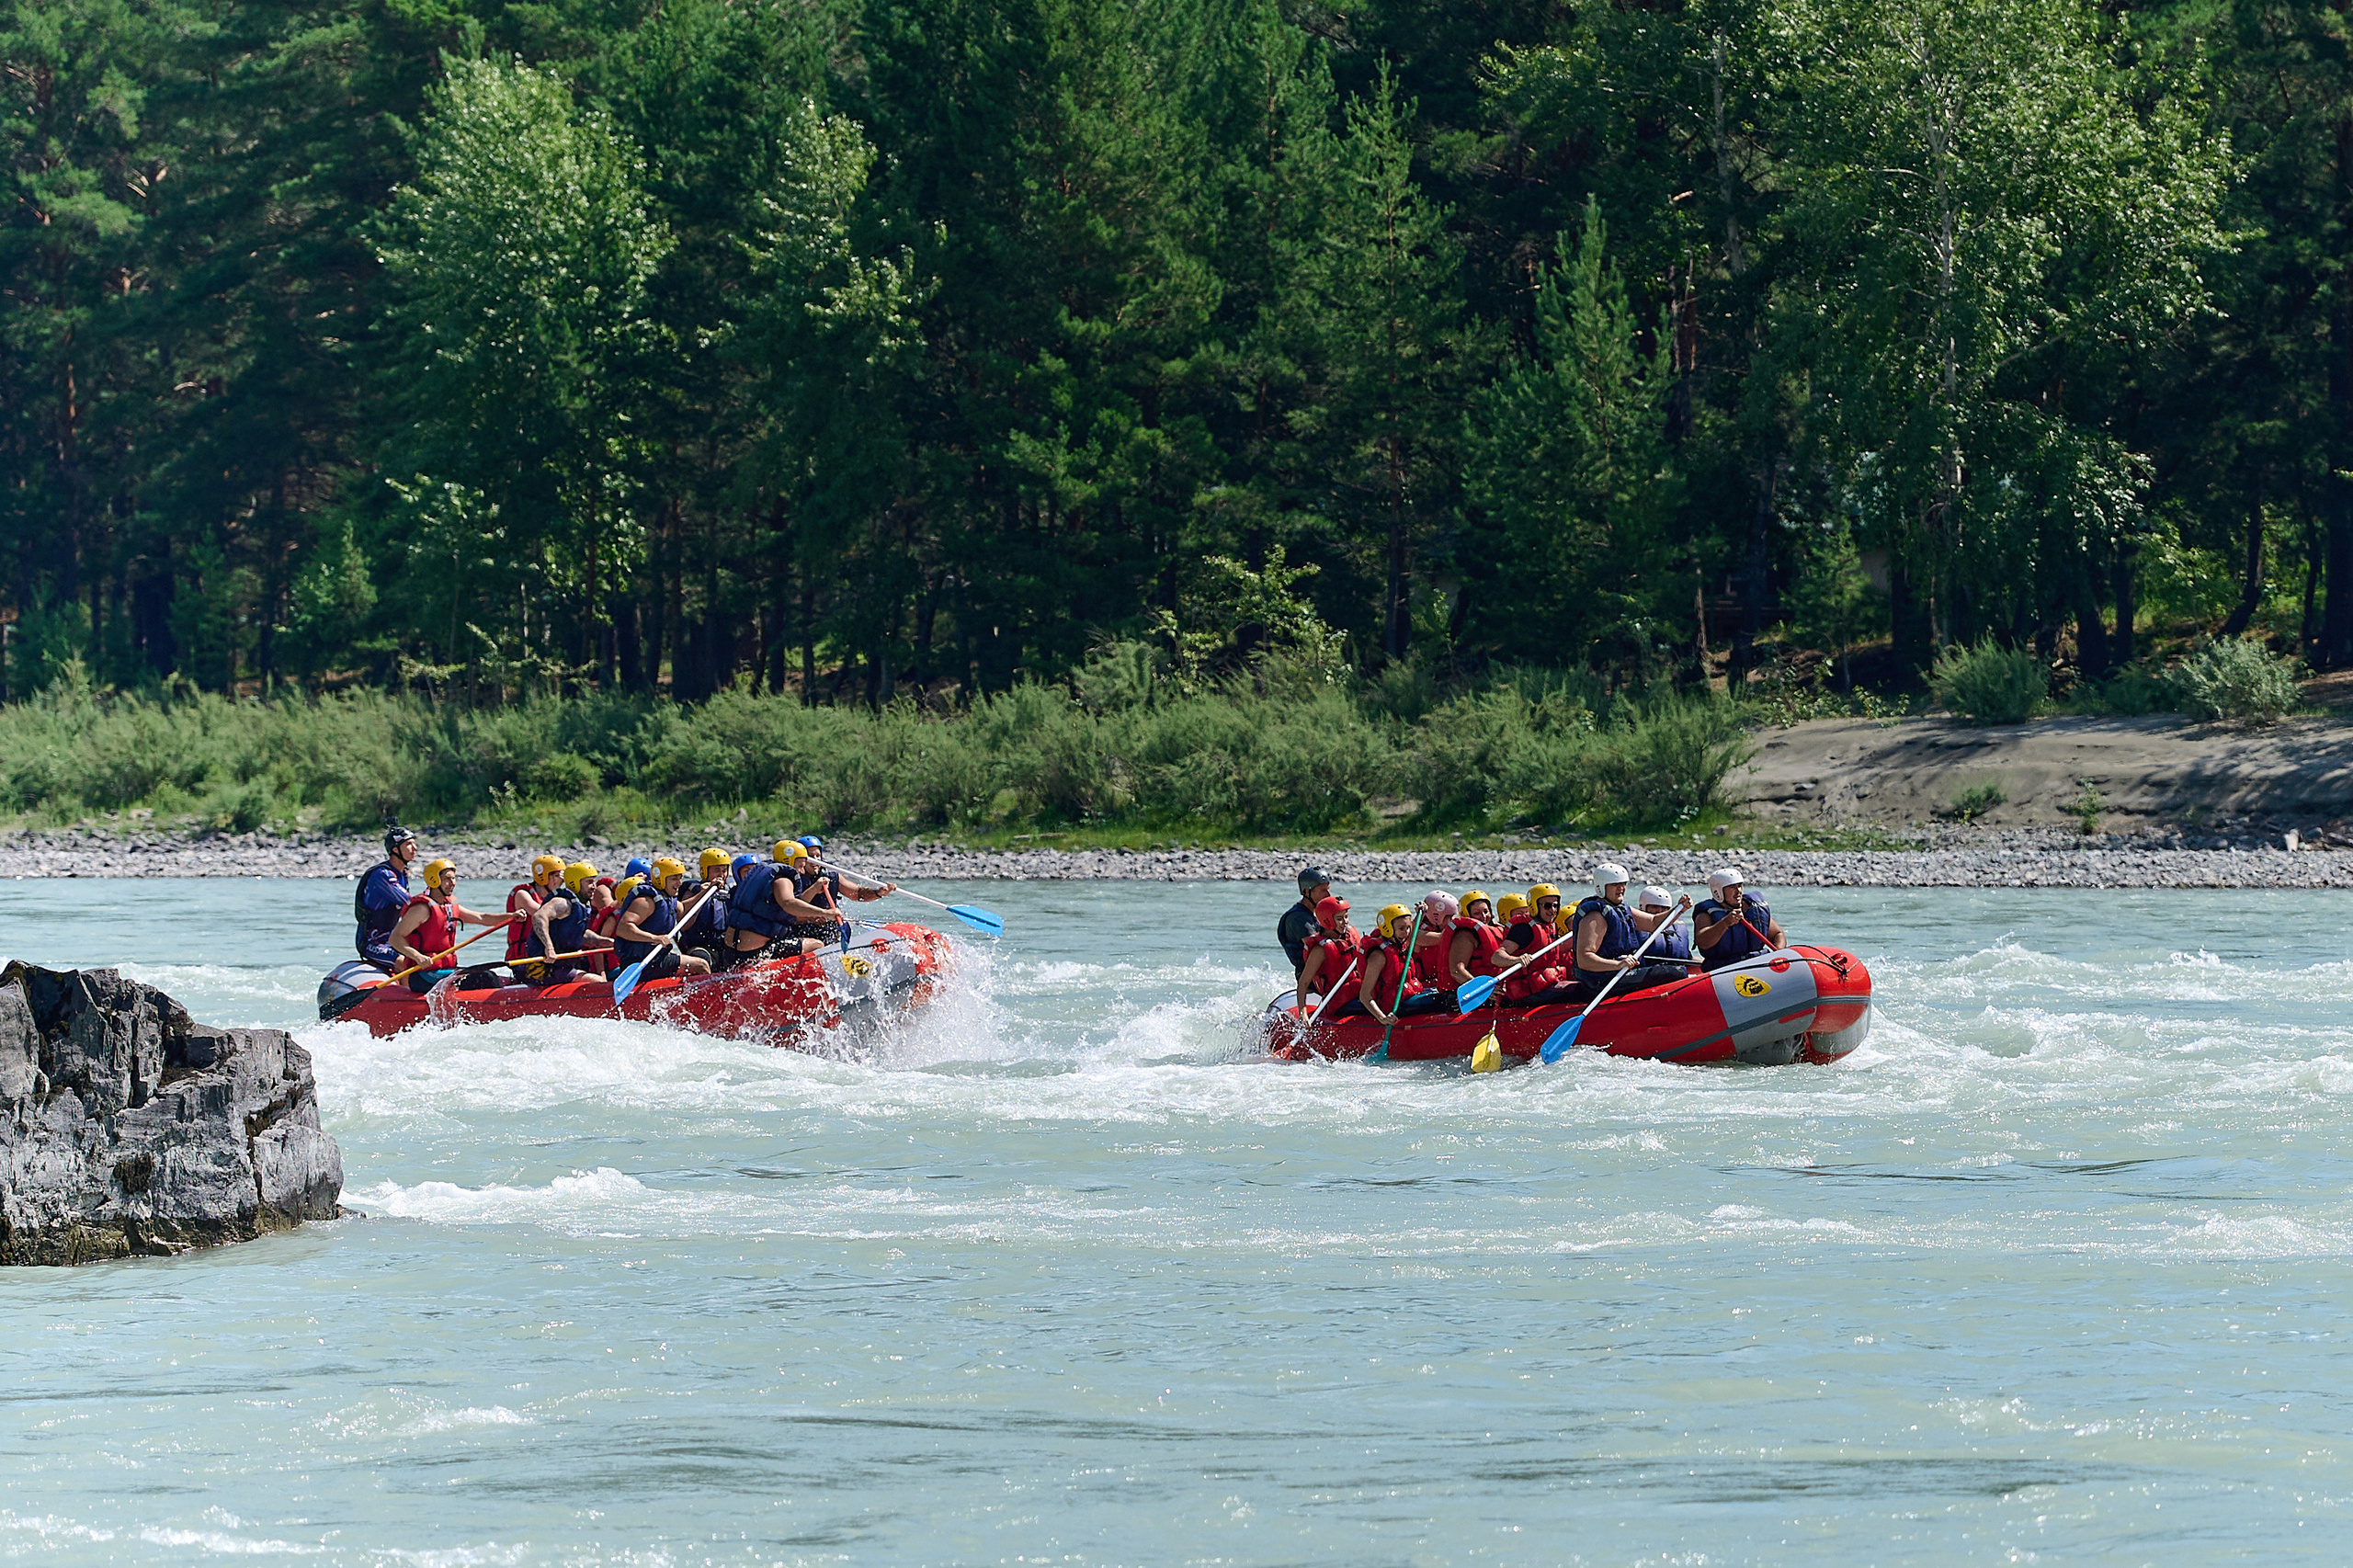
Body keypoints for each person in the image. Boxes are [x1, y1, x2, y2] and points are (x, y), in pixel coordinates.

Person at [384, 858, 502, 991]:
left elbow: (482, 918)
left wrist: (512, 916)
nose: (453, 883)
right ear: (434, 880)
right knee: (486, 977)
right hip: (423, 975)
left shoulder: (449, 906)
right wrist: (418, 957)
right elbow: (395, 938)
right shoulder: (422, 909)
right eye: (447, 879)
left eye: (454, 878)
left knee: (487, 974)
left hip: (444, 970)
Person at [1572, 863, 1689, 995]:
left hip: (1618, 972)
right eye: (1615, 884)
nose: (1621, 888)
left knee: (1671, 969)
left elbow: (1653, 922)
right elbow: (1584, 959)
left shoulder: (1622, 909)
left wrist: (1679, 909)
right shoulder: (1595, 917)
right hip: (1601, 980)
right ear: (1601, 886)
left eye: (1623, 884)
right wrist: (1617, 965)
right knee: (1675, 973)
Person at [715, 846, 841, 971]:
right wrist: (825, 913)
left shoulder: (763, 878)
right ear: (790, 861)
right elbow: (788, 903)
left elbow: (776, 914)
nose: (802, 872)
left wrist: (810, 916)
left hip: (731, 952)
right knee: (817, 945)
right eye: (801, 866)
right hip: (755, 953)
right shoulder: (783, 880)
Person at [610, 857, 712, 982]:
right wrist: (655, 938)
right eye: (674, 879)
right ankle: (706, 994)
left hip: (657, 956)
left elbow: (683, 909)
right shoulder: (646, 901)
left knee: (698, 963)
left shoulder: (667, 897)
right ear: (661, 879)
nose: (679, 883)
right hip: (642, 962)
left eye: (680, 878)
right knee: (701, 966)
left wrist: (704, 893)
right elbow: (623, 928)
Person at [522, 861, 613, 984]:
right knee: (599, 982)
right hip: (544, 969)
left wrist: (605, 942)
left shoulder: (581, 905)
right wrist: (549, 948)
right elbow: (539, 916)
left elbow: (579, 934)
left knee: (598, 977)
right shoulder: (563, 903)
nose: (594, 887)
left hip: (562, 967)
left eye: (594, 882)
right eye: (589, 882)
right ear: (574, 883)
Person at [354, 826, 421, 970]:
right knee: (404, 962)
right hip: (372, 943)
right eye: (408, 844)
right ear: (395, 850)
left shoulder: (402, 873)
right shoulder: (382, 875)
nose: (414, 848)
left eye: (414, 844)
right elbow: (409, 903)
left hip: (393, 940)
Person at [1694, 868, 1785, 970]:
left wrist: (1778, 955)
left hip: (1757, 965)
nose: (1738, 891)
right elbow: (1702, 942)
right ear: (1717, 892)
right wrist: (1725, 923)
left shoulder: (1753, 908)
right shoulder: (1706, 914)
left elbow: (1777, 934)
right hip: (1724, 969)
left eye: (1739, 886)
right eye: (1732, 887)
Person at [1497, 883, 1573, 1004]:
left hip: (1545, 985)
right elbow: (1497, 957)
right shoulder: (1524, 929)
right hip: (1526, 991)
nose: (1552, 910)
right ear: (1534, 906)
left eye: (1555, 906)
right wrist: (1516, 960)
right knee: (1578, 990)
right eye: (1547, 906)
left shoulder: (1550, 927)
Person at [1295, 895, 1361, 1012]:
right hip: (1338, 1002)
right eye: (1340, 919)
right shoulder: (1320, 950)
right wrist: (1303, 1012)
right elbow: (1303, 983)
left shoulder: (1349, 939)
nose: (1345, 922)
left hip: (1356, 992)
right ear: (1327, 920)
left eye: (1346, 917)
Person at [505, 854, 567, 967]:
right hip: (524, 956)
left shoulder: (555, 898)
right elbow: (542, 914)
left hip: (544, 953)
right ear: (543, 877)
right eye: (557, 876)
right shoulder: (522, 894)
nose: (561, 880)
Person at [1448, 889, 1508, 988]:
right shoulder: (1464, 936)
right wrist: (1482, 989)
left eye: (1486, 911)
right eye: (1477, 913)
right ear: (1467, 914)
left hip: (1495, 987)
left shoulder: (1498, 929)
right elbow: (1456, 971)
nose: (1483, 916)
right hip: (1473, 991)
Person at [1278, 866, 1333, 972]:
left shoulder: (1317, 913)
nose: (1328, 895)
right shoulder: (1298, 918)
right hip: (1309, 974)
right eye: (1323, 890)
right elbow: (1316, 947)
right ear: (1307, 892)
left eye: (1328, 889)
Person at [1640, 885, 1695, 965]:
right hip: (1646, 970)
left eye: (1664, 908)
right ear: (1643, 907)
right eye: (1655, 907)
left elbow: (1688, 958)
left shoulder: (1676, 925)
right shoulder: (1634, 927)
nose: (1660, 911)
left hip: (1677, 970)